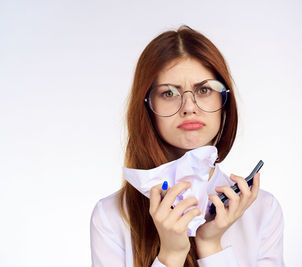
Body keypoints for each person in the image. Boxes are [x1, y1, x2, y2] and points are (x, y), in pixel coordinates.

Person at [90, 25, 285, 267]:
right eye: (169, 93)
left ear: (225, 103)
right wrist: (170, 254)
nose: (189, 106)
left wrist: (211, 247)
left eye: (204, 90)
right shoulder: (111, 216)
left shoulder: (263, 211)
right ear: (148, 108)